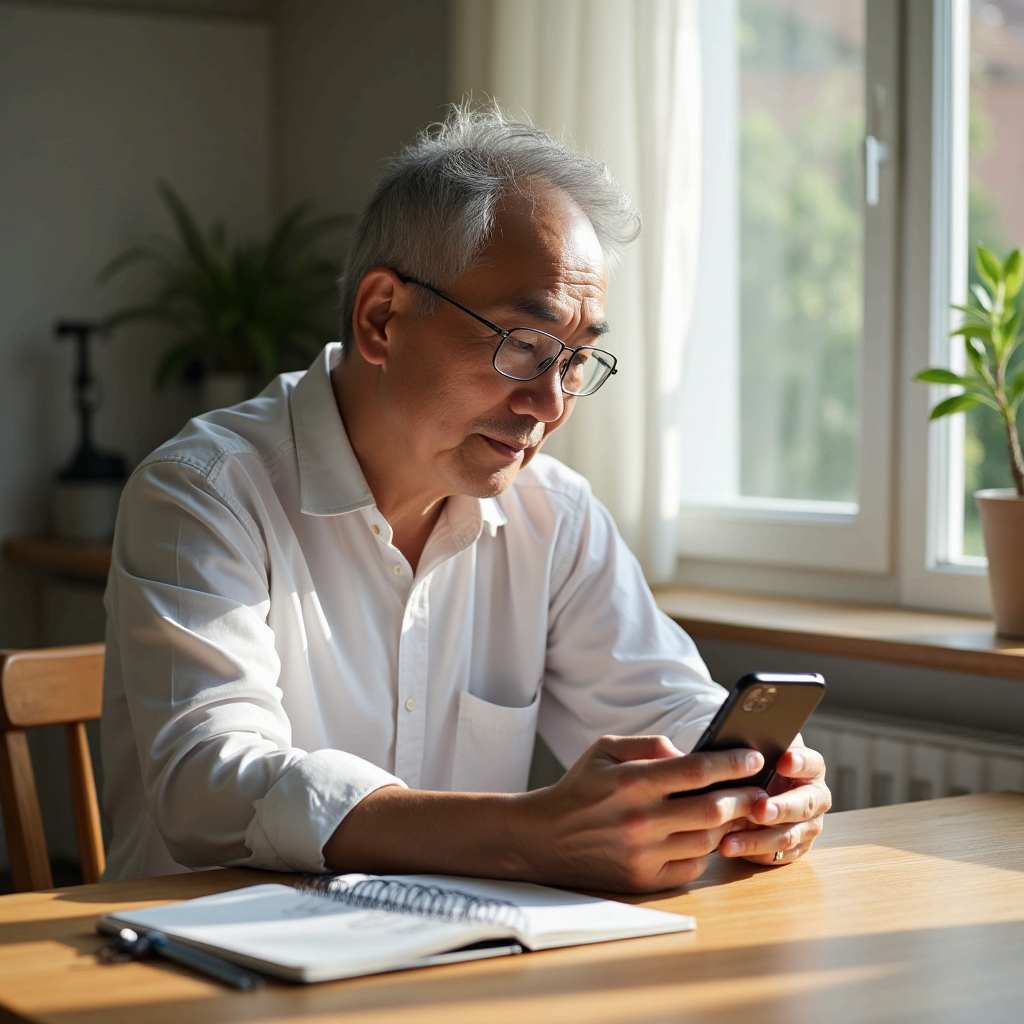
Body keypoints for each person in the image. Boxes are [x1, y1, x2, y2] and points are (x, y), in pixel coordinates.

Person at [101, 105, 830, 891]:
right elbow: (211, 784)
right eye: (524, 344)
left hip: (461, 961)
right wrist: (531, 835)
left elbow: (665, 704)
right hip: (210, 970)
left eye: (579, 361)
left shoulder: (554, 515)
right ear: (383, 318)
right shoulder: (205, 492)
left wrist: (753, 785)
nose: (551, 404)